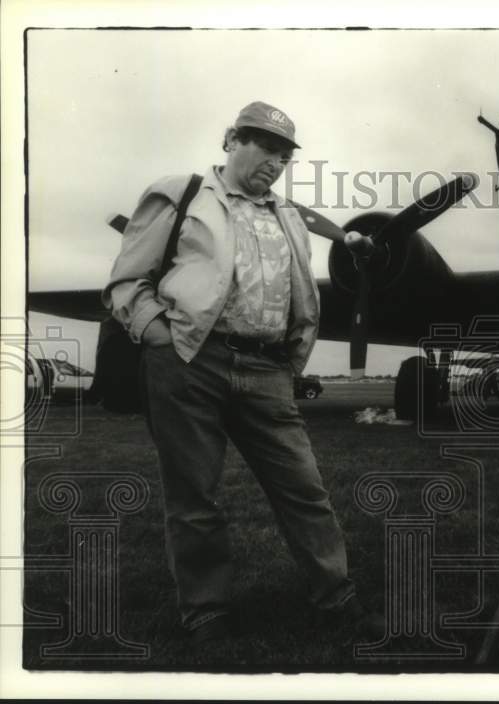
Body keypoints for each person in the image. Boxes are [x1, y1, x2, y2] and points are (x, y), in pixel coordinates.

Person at [103, 101, 376, 644]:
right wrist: (158, 333)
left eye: (283, 154)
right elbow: (127, 280)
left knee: (304, 488)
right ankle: (207, 612)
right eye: (262, 146)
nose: (273, 161)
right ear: (231, 139)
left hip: (268, 367)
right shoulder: (180, 195)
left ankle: (336, 596)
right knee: (194, 495)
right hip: (189, 362)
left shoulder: (290, 216)